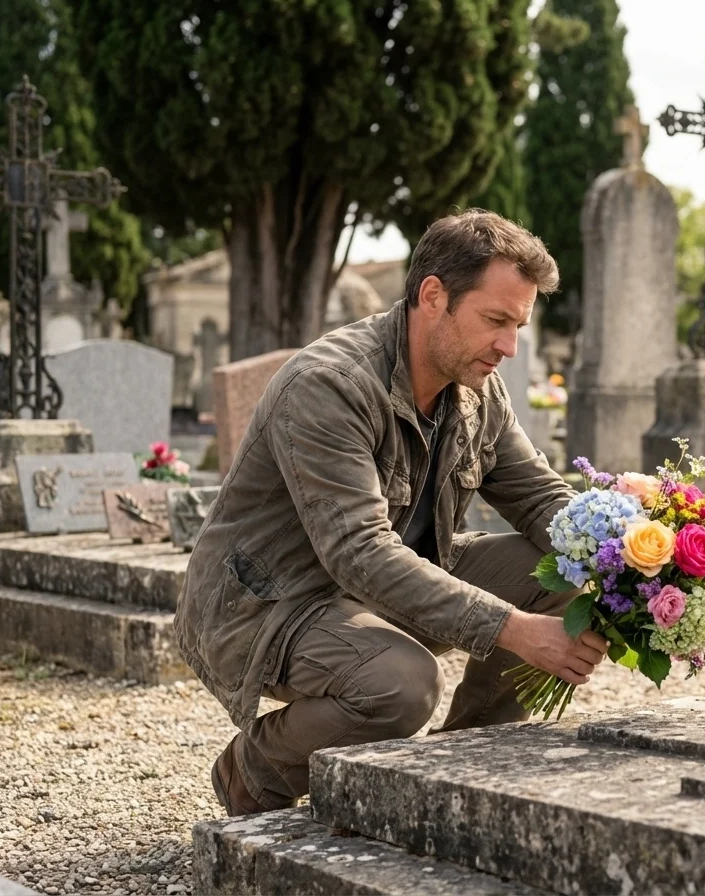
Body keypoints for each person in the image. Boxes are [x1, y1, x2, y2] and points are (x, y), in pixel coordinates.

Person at [174, 209, 609, 817]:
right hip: (274, 601)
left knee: (568, 568)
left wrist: (634, 564)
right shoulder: (331, 385)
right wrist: (513, 630)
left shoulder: (478, 387)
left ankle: (459, 768)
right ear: (433, 295)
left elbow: (543, 501)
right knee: (401, 685)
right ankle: (254, 771)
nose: (509, 347)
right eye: (495, 321)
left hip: (381, 589)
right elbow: (359, 552)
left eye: (518, 325)